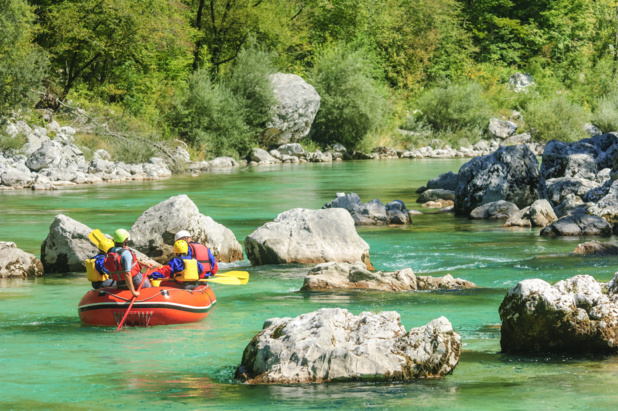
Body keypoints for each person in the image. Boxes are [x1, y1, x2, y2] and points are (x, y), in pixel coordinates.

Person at [103, 229, 152, 297]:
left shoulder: (110, 251)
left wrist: (144, 264)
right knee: (148, 282)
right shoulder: (126, 253)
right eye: (127, 240)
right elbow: (127, 274)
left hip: (119, 284)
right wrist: (133, 292)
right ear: (125, 240)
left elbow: (130, 262)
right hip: (136, 281)